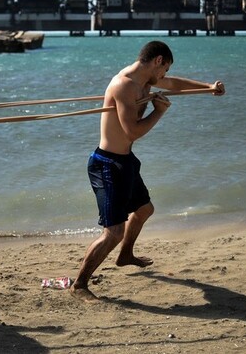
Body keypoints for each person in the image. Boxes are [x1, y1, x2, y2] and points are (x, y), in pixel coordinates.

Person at [70, 41, 225, 302]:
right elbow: (132, 132)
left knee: (144, 210)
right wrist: (158, 112)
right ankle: (79, 285)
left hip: (125, 160)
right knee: (114, 232)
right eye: (165, 69)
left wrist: (208, 87)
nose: (165, 75)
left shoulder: (145, 81)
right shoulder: (124, 85)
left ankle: (125, 255)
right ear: (158, 61)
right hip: (106, 164)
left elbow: (175, 84)